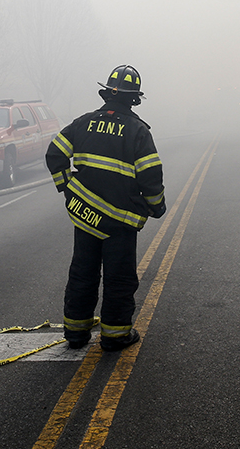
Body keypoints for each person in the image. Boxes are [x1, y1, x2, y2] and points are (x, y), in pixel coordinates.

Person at [46, 64, 166, 351]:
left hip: (85, 218)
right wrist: (156, 206)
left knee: (82, 273)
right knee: (119, 278)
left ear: (106, 94)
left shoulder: (82, 123)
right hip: (119, 223)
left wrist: (68, 189)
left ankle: (75, 334)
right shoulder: (138, 131)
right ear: (134, 98)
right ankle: (114, 335)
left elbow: (55, 154)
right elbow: (150, 175)